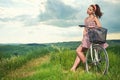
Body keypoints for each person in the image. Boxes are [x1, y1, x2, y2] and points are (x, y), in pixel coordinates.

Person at [70, 4, 108, 71]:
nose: (88, 10)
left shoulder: (94, 18)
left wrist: (93, 27)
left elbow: (99, 26)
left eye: (90, 9)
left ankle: (86, 64)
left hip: (94, 36)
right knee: (80, 52)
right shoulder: (86, 19)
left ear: (93, 12)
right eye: (88, 8)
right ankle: (73, 68)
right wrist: (83, 37)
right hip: (87, 37)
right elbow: (85, 30)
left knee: (78, 50)